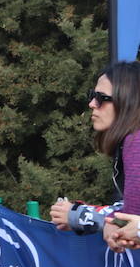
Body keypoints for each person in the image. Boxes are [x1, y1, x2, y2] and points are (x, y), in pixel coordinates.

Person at [50, 61, 140, 250]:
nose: (92, 104)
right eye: (92, 96)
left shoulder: (136, 142)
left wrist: (80, 215)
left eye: (101, 98)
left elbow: (132, 219)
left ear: (128, 101)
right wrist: (105, 221)